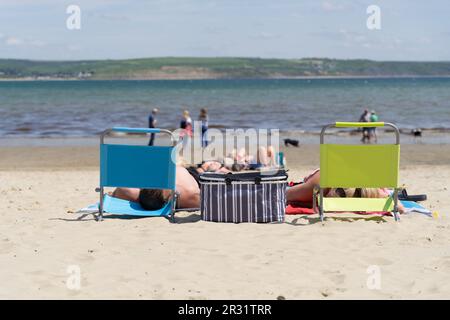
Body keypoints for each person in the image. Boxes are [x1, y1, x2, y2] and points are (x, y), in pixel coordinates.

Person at [286, 168, 405, 213]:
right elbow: (400, 208)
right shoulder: (372, 192)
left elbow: (285, 195)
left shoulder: (321, 182)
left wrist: (313, 176)